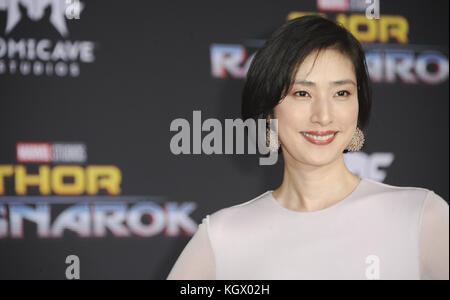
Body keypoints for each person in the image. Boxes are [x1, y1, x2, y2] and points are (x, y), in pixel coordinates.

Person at [166, 15, 449, 280]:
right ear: (268, 112)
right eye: (302, 93)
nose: (324, 116)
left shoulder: (421, 216)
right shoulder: (223, 237)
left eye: (341, 93)